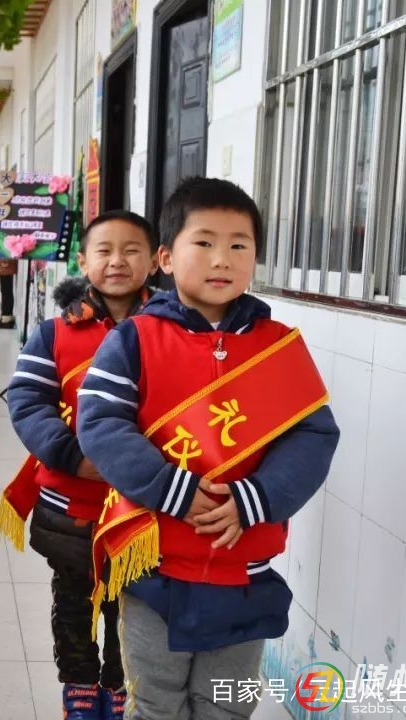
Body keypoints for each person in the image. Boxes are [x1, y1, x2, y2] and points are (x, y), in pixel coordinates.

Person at [76, 178, 340, 720]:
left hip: (245, 569)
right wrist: (172, 489)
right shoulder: (135, 339)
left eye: (239, 245)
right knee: (156, 705)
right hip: (154, 569)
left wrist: (253, 499)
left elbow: (313, 436)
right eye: (204, 242)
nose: (222, 259)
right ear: (166, 258)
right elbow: (100, 423)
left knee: (225, 707)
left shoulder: (277, 347)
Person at [0, 210, 159, 720]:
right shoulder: (54, 334)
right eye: (104, 251)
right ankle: (80, 688)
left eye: (131, 250)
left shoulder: (171, 332)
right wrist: (72, 456)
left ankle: (118, 686)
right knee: (74, 600)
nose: (117, 261)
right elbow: (27, 401)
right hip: (71, 502)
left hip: (144, 505)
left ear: (156, 261)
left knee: (131, 605)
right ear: (84, 261)